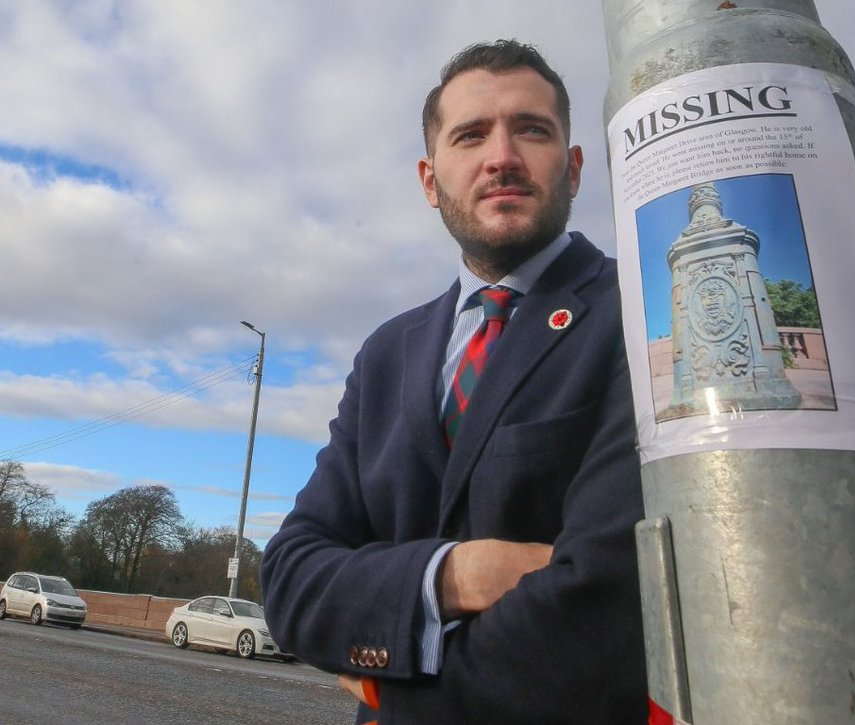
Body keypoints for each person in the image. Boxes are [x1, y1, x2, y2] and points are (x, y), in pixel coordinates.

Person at [260, 39, 647, 724]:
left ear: (575, 167)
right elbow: (291, 578)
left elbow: (612, 600)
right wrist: (458, 573)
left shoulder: (642, 312)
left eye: (532, 129)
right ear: (430, 179)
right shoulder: (386, 353)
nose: (502, 156)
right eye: (470, 135)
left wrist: (389, 687)